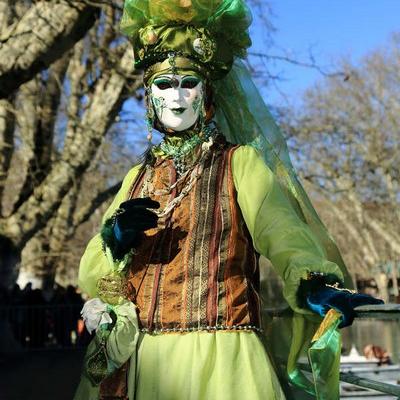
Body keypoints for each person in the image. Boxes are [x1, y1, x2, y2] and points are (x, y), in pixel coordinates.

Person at [74, 1, 383, 399]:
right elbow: (91, 274)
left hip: (224, 363)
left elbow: (282, 233)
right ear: (149, 96)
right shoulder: (138, 177)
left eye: (188, 83)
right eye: (164, 85)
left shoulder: (240, 163)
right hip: (143, 363)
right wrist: (114, 240)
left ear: (207, 92)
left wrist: (314, 284)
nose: (177, 96)